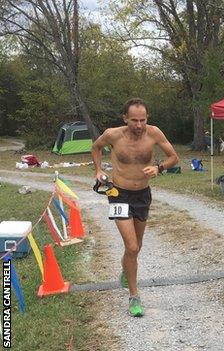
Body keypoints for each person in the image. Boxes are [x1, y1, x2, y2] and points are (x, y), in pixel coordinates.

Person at [91, 98, 179, 317]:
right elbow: (96, 147)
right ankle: (134, 296)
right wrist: (98, 170)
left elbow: (174, 157)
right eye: (134, 120)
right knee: (131, 247)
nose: (139, 125)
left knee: (136, 247)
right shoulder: (113, 134)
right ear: (125, 119)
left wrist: (159, 168)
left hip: (142, 195)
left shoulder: (154, 133)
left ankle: (126, 270)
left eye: (143, 120)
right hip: (117, 193)